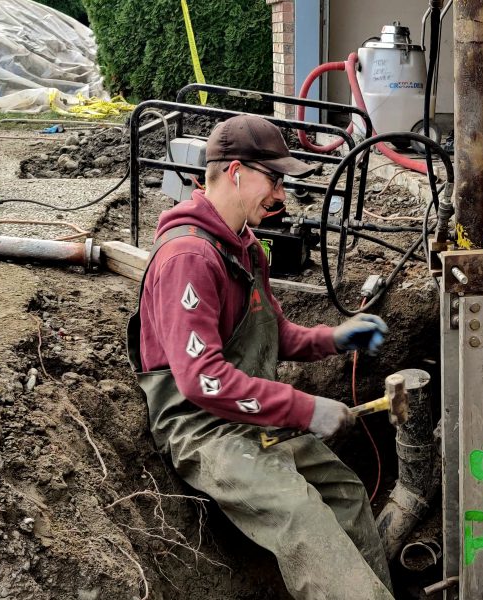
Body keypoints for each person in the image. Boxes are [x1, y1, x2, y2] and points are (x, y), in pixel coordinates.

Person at [126, 114, 394, 599]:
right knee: (302, 517)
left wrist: (335, 338)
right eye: (274, 180)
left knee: (345, 493)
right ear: (235, 171)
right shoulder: (189, 258)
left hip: (247, 416)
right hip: (202, 427)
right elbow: (201, 380)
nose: (280, 196)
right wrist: (305, 409)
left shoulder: (245, 246)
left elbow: (273, 334)